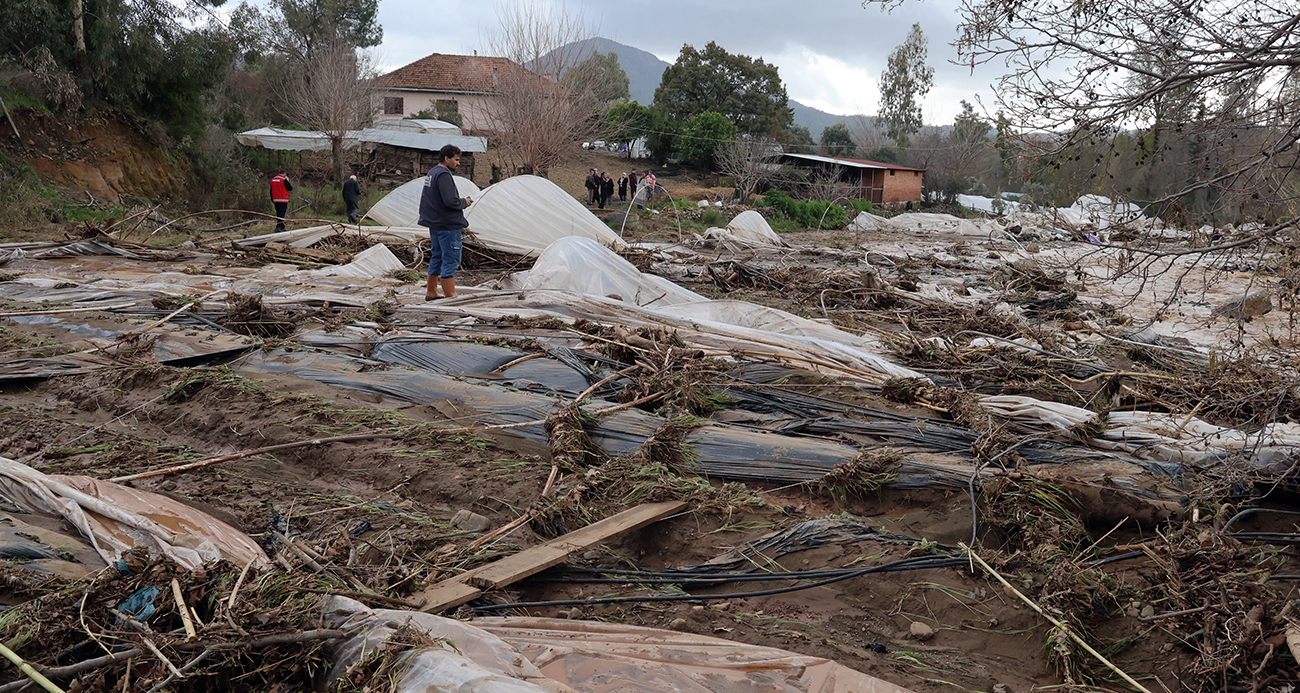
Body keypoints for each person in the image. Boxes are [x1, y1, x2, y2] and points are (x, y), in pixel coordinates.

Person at [419, 144, 473, 300]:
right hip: (447, 224)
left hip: (435, 223)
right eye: (456, 160)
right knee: (451, 258)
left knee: (437, 256)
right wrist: (465, 202)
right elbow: (450, 201)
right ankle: (451, 295)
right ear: (446, 158)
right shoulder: (443, 174)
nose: (458, 163)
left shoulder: (432, 172)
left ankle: (431, 292)